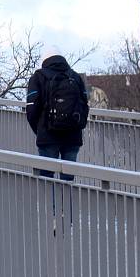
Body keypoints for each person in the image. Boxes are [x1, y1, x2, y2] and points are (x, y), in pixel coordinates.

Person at [26, 47, 89, 181]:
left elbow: (31, 110)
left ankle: (50, 203)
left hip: (48, 136)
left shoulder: (38, 77)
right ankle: (67, 202)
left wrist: (39, 130)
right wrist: (77, 126)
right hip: (73, 136)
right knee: (68, 179)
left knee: (47, 178)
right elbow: (85, 106)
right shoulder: (76, 77)